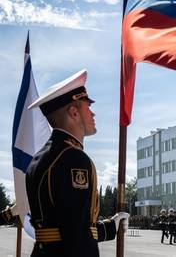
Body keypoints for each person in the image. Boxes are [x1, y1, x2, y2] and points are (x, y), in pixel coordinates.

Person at [25, 69, 129, 257]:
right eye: (88, 107)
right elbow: (77, 237)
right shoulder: (74, 159)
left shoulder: (41, 158)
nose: (93, 113)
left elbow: (65, 225)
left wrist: (109, 227)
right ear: (74, 112)